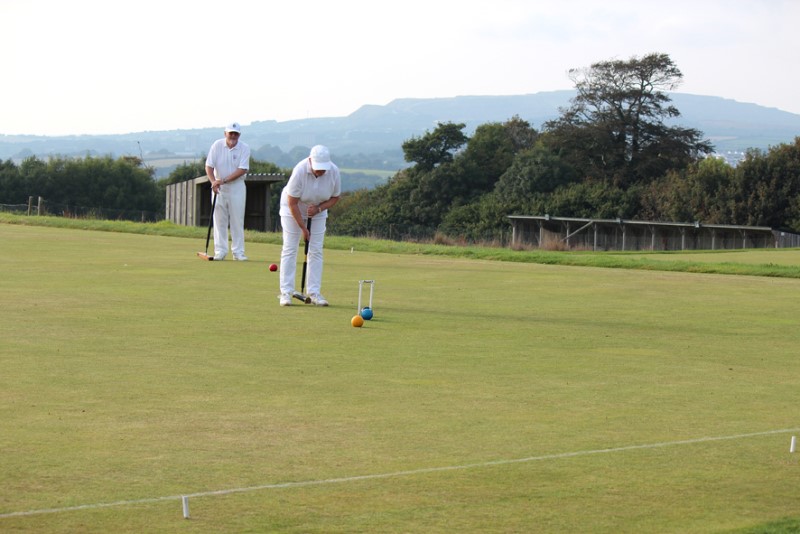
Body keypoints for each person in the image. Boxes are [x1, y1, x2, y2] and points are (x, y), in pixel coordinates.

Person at [278, 145, 341, 306]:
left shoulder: (333, 171)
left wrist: (319, 208)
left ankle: (314, 293)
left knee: (316, 249)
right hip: (293, 207)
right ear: (310, 161)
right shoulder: (299, 171)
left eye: (323, 168)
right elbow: (292, 202)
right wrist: (303, 228)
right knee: (290, 248)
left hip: (318, 210)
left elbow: (335, 197)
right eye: (318, 168)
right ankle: (286, 292)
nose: (321, 171)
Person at [205, 122, 251, 261]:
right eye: (230, 133)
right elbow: (209, 166)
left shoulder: (244, 148)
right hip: (218, 187)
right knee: (219, 220)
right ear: (225, 133)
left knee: (237, 220)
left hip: (236, 187)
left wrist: (223, 180)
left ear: (239, 135)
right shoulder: (217, 145)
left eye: (235, 133)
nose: (233, 136)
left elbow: (242, 169)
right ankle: (220, 251)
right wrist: (214, 181)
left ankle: (238, 252)